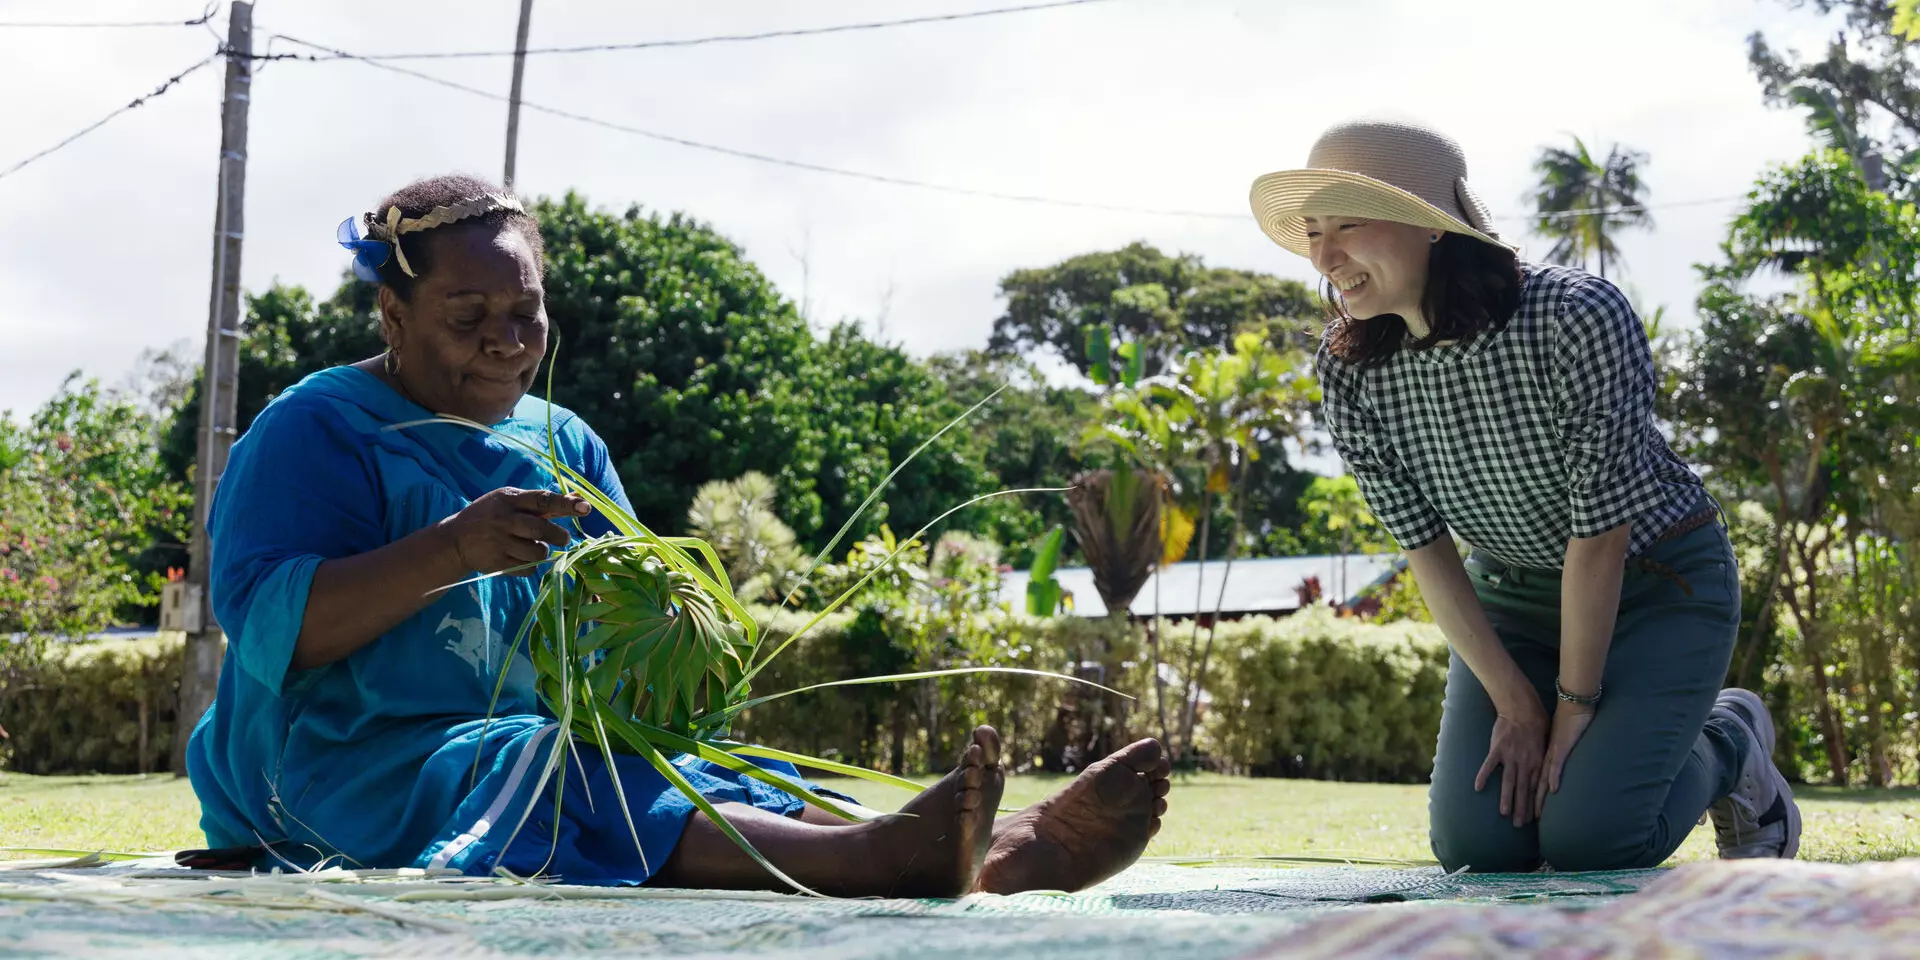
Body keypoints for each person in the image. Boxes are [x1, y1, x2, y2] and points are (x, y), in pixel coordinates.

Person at [185, 174, 1171, 896]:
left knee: (681, 767)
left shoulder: (562, 442)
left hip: (520, 741)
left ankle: (978, 852)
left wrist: (679, 651)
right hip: (334, 766)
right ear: (392, 314)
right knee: (550, 771)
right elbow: (278, 631)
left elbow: (623, 628)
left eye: (526, 312)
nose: (506, 341)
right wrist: (452, 550)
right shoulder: (316, 429)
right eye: (467, 314)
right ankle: (870, 859)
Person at [1246, 119, 1801, 872]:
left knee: (1591, 839)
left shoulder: (1576, 317)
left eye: (1347, 226)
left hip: (1656, 585)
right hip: (1513, 600)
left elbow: (1599, 536)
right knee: (1479, 847)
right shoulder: (1349, 370)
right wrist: (1514, 701)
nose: (1323, 257)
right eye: (1314, 232)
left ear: (1431, 225)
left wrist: (1572, 709)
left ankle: (1731, 739)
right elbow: (1426, 550)